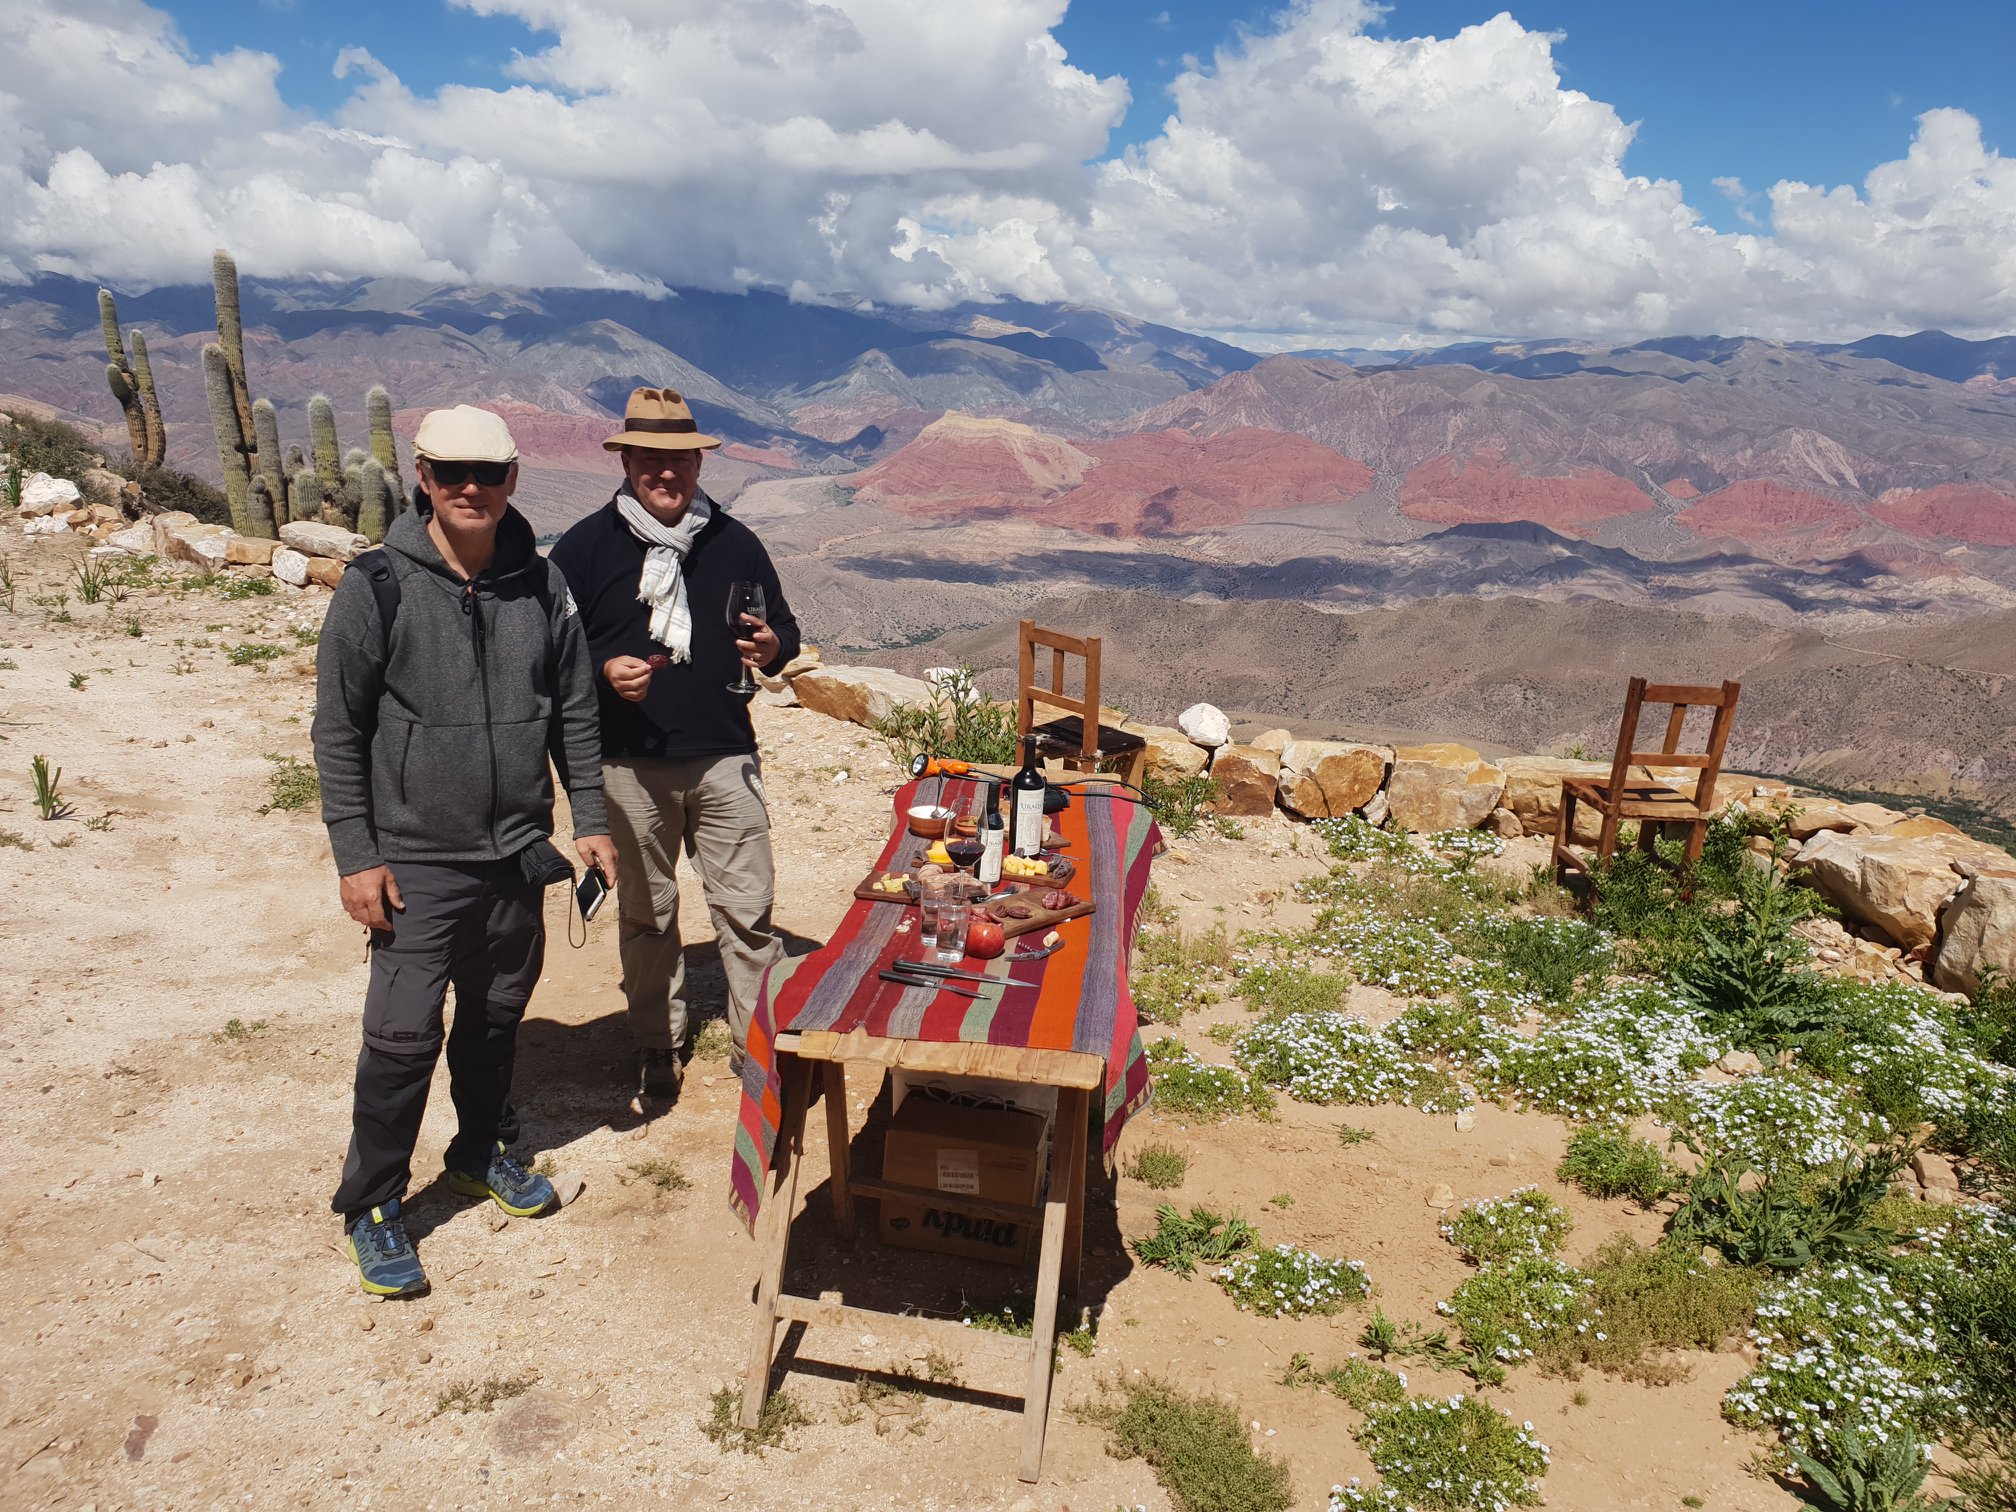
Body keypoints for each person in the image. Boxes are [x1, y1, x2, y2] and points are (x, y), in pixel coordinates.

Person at [313, 404, 619, 1298]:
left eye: (488, 472)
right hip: (415, 857)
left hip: (516, 852)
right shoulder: (376, 586)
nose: (471, 489)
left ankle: (480, 1153)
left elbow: (574, 713)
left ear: (515, 477)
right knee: (402, 1037)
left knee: (494, 1020)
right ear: (422, 478)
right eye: (452, 474)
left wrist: (589, 818)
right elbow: (339, 730)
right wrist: (355, 854)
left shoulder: (544, 586)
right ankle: (371, 1204)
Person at [549, 387, 800, 1099]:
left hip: (725, 754)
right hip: (628, 764)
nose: (667, 473)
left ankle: (760, 1043)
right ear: (626, 461)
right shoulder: (586, 549)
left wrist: (775, 643)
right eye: (651, 460)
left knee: (747, 909)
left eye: (680, 460)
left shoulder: (734, 541)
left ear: (698, 462)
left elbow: (782, 631)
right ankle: (657, 1042)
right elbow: (550, 656)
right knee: (648, 914)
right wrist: (601, 672)